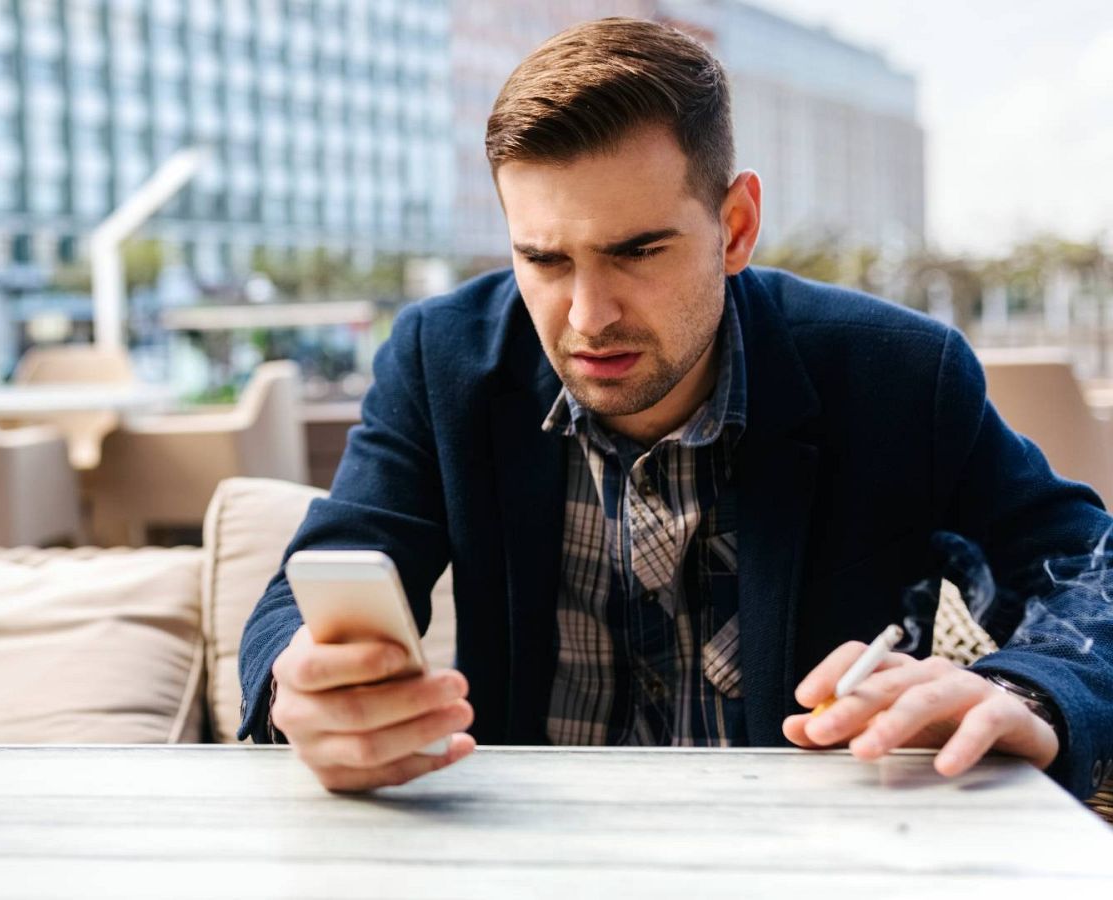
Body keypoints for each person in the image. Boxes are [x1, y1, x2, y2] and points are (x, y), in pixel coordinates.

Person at [237, 17, 1113, 798]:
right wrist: (298, 685)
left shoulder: (897, 374)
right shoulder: (441, 359)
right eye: (543, 259)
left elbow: (1083, 564)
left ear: (735, 228)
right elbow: (309, 585)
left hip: (806, 864)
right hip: (520, 864)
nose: (587, 317)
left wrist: (1023, 690)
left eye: (638, 251)